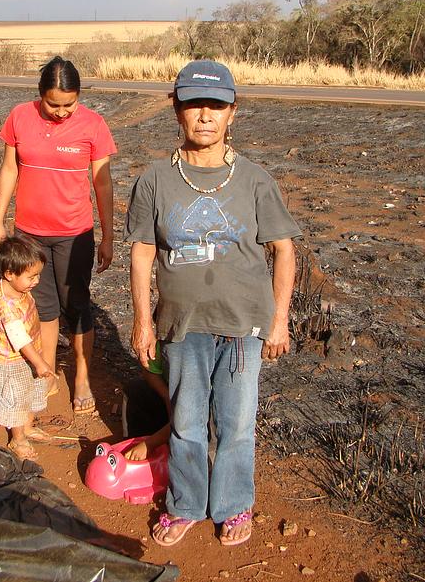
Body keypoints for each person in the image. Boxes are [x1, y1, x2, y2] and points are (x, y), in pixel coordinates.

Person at [125, 59, 300, 547]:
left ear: (233, 113)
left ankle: (233, 506)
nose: (205, 115)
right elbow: (141, 253)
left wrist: (279, 321)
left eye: (216, 105)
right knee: (185, 423)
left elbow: (283, 249)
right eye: (194, 104)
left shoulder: (255, 180)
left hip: (244, 327)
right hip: (181, 328)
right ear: (176, 109)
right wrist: (143, 322)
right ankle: (184, 505)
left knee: (237, 426)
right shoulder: (155, 179)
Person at [0, 56, 116, 415]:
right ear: (39, 95)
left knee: (75, 306)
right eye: (53, 104)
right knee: (42, 306)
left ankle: (81, 378)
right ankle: (45, 371)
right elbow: (9, 168)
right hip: (29, 234)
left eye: (69, 104)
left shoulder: (93, 125)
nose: (62, 112)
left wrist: (107, 236)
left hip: (73, 234)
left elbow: (102, 182)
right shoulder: (19, 116)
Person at [0, 236, 59, 460]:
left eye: (38, 275)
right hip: (13, 361)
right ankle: (17, 438)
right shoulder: (5, 306)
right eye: (31, 276)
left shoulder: (17, 288)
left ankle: (28, 427)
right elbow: (18, 338)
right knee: (17, 399)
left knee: (31, 391)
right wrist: (39, 362)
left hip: (30, 353)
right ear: (9, 274)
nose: (36, 281)